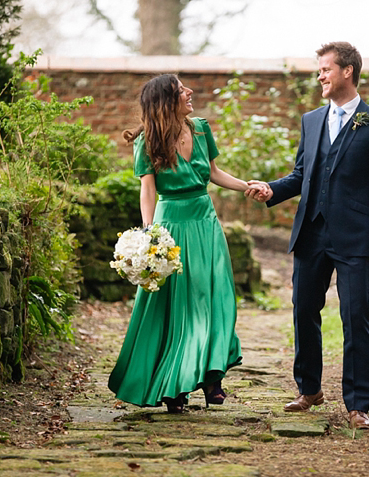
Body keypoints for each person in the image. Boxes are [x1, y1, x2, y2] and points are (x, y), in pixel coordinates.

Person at [246, 42, 369, 429]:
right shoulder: (311, 120)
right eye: (319, 70)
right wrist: (271, 189)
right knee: (303, 311)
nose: (320, 76)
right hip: (311, 232)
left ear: (347, 71)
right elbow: (302, 174)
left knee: (355, 316)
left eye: (326, 69)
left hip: (354, 236)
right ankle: (309, 389)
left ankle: (357, 405)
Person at [108, 74, 262, 414]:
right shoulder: (147, 140)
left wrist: (247, 186)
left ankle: (210, 375)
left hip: (205, 222)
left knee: (215, 298)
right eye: (181, 90)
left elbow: (213, 172)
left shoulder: (202, 129)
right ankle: (174, 384)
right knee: (177, 306)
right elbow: (148, 189)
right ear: (166, 100)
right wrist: (149, 235)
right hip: (171, 225)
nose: (189, 92)